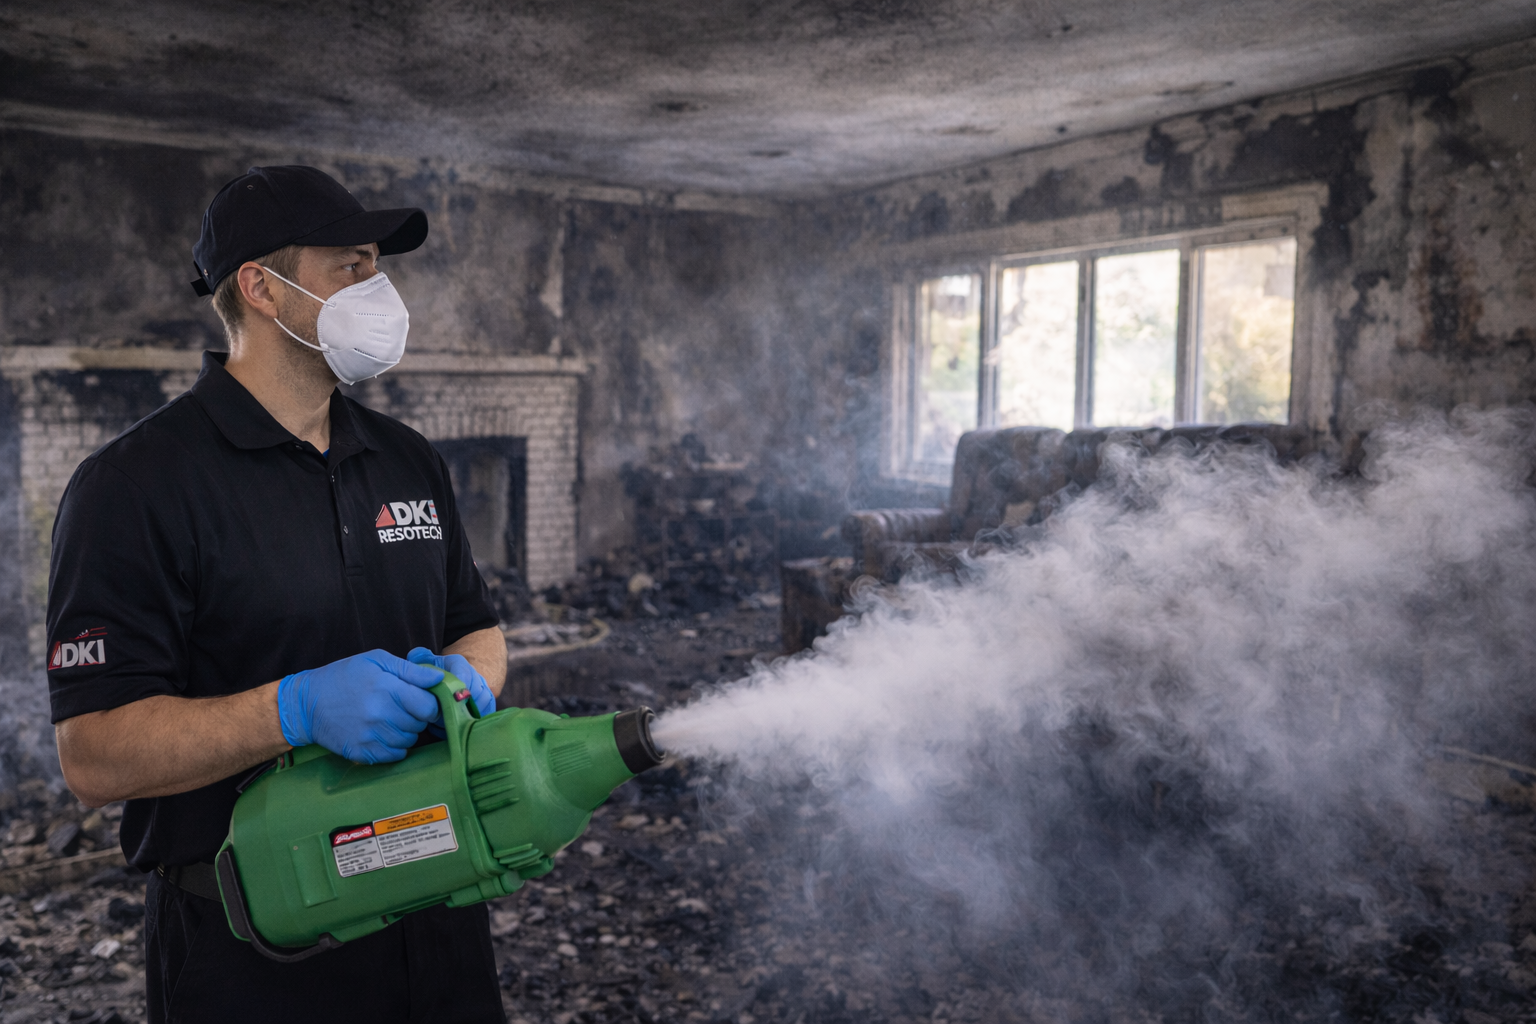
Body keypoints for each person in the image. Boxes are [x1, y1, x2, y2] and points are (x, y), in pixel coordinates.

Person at [46, 165, 510, 1023]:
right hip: (256, 934)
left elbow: (476, 627)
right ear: (262, 287)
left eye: (378, 265)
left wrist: (468, 678)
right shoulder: (135, 486)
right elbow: (94, 755)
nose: (381, 289)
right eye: (352, 265)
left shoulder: (409, 459)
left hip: (437, 896)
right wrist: (290, 712)